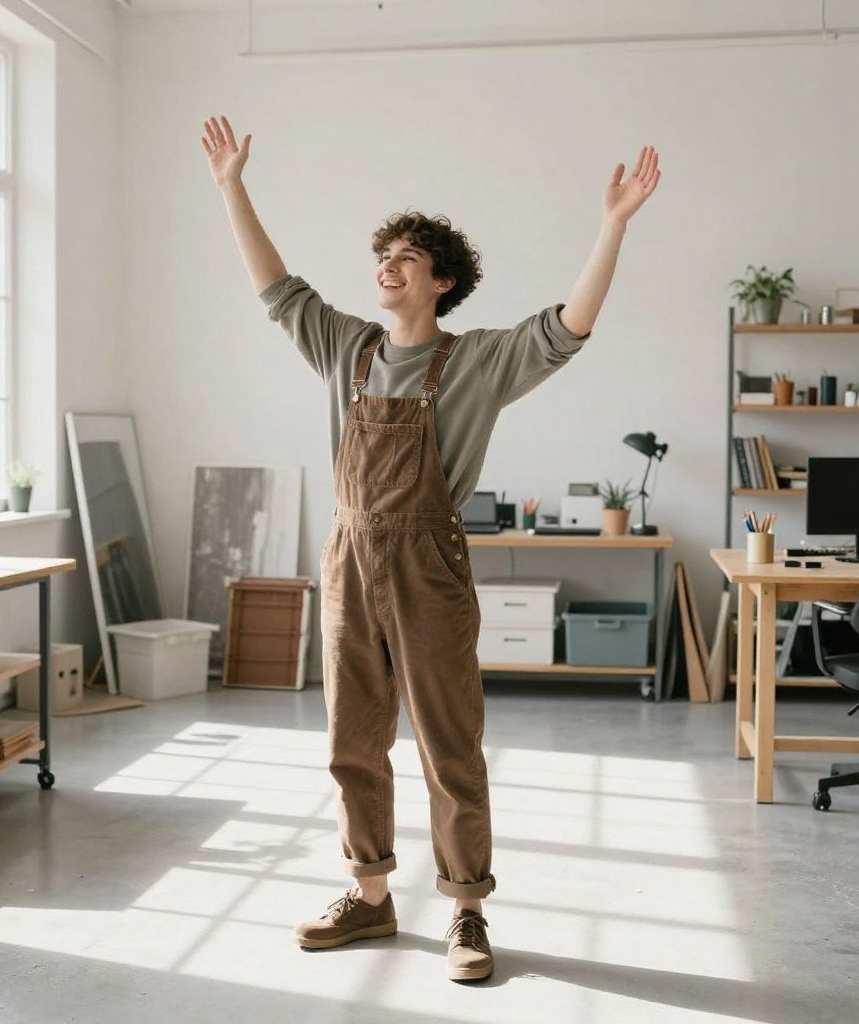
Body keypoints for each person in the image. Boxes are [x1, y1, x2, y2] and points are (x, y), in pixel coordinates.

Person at [201, 114, 660, 982]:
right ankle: (371, 898)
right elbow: (276, 286)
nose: (388, 266)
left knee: (449, 742)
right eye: (384, 255)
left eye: (407, 257)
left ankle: (467, 911)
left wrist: (613, 225)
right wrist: (231, 185)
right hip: (347, 557)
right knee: (351, 739)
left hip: (428, 562)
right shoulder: (348, 348)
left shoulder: (479, 361)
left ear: (441, 282)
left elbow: (568, 325)